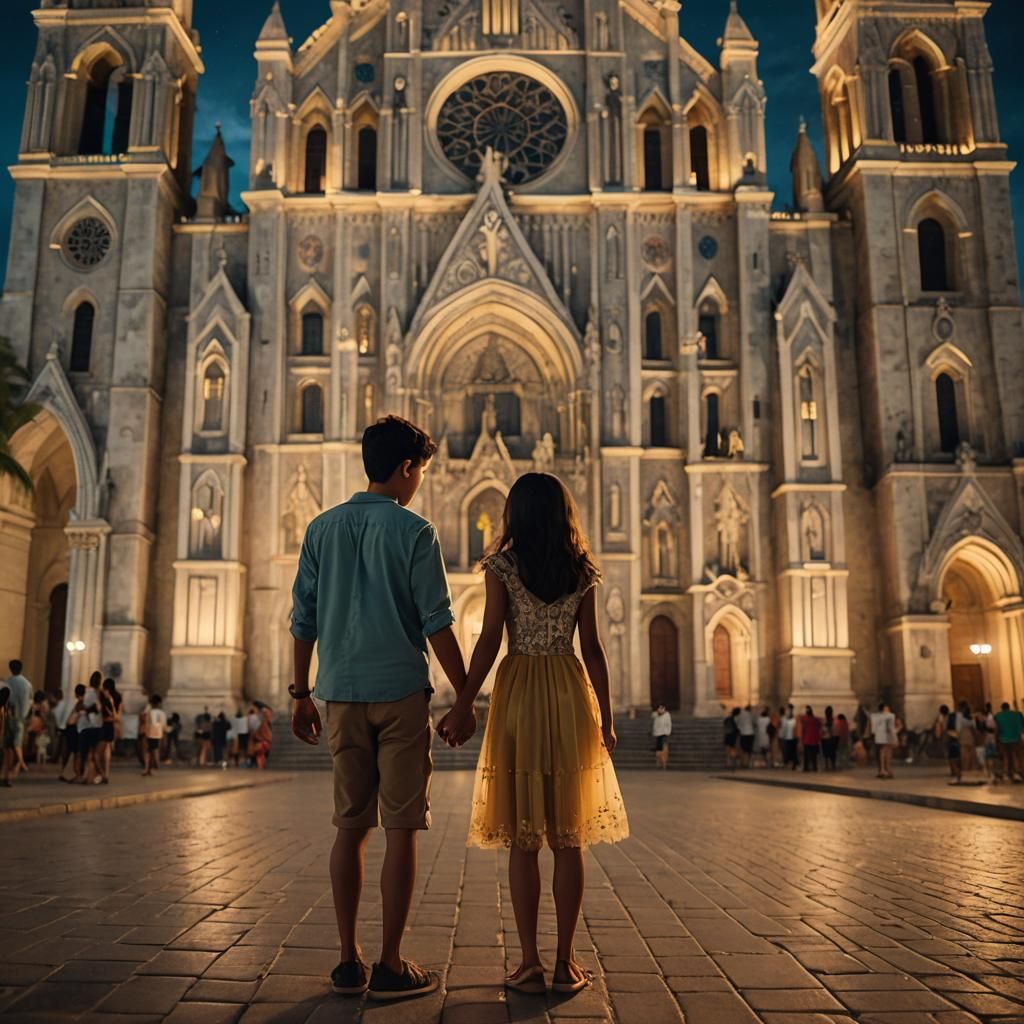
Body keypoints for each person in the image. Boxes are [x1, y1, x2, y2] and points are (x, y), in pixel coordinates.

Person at [289, 415, 469, 1002]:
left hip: (338, 694)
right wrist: (464, 696)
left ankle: (347, 961)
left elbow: (303, 620)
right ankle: (391, 963)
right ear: (407, 468)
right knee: (401, 830)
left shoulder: (320, 528)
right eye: (420, 471)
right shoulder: (416, 533)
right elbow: (438, 624)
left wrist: (299, 693)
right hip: (399, 697)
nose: (419, 482)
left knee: (349, 827)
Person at [437, 472, 628, 997]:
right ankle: (566, 962)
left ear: (514, 514)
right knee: (569, 838)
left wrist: (462, 701)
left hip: (519, 690)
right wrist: (607, 717)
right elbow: (593, 649)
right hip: (568, 691)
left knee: (525, 840)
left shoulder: (501, 567)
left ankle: (529, 963)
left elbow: (490, 637)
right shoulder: (581, 570)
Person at [1, 661, 32, 786]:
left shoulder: (8, 682)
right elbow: (30, 701)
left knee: (7, 748)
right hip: (21, 719)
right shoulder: (27, 684)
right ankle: (11, 773)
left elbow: (9, 700)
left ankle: (7, 775)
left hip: (10, 718)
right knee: (15, 746)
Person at [994, 702, 1024, 782]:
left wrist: (996, 740)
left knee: (1006, 757)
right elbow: (1021, 728)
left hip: (1003, 740)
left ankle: (1006, 773)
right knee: (1015, 756)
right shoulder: (1016, 715)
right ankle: (1017, 772)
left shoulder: (998, 716)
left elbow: (997, 729)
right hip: (1015, 739)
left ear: (1002, 708)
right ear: (1009, 707)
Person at [141, 694, 167, 776]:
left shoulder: (149, 711)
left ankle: (147, 768)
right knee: (155, 749)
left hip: (148, 732)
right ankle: (155, 764)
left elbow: (143, 718)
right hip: (157, 733)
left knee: (147, 750)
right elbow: (163, 725)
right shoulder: (161, 713)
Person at [935, 704, 960, 784]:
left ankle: (953, 770)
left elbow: (940, 730)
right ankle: (955, 770)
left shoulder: (942, 719)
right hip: (955, 737)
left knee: (950, 756)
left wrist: (938, 736)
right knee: (955, 755)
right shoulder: (952, 717)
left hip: (947, 738)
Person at [870, 701, 897, 779]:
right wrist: (895, 737)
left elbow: (873, 728)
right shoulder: (890, 716)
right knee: (886, 753)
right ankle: (886, 769)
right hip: (887, 736)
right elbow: (890, 728)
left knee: (882, 752)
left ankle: (883, 770)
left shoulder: (875, 716)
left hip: (878, 737)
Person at [250, 702, 273, 769]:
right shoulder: (264, 713)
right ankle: (261, 767)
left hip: (262, 739)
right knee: (261, 754)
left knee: (260, 754)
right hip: (265, 738)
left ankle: (261, 767)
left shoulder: (261, 714)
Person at [801, 706, 822, 772]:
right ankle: (814, 767)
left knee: (806, 755)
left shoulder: (805, 720)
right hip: (814, 740)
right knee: (814, 755)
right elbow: (819, 727)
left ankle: (806, 768)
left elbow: (803, 730)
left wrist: (802, 739)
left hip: (807, 740)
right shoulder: (816, 720)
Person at [651, 704, 671, 769]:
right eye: (659, 708)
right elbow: (652, 716)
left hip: (664, 734)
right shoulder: (656, 715)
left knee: (664, 750)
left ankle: (664, 764)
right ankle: (658, 763)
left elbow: (669, 724)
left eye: (661, 708)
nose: (660, 710)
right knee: (658, 750)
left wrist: (668, 732)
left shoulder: (667, 715)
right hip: (657, 734)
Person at [780, 705, 798, 770]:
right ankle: (788, 764)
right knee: (787, 752)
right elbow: (783, 728)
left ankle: (793, 764)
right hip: (786, 737)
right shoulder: (784, 718)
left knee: (792, 752)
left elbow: (795, 727)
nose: (787, 711)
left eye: (788, 710)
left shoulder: (794, 718)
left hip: (793, 738)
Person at [820, 706, 838, 771]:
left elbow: (822, 730)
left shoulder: (825, 720)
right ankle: (833, 766)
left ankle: (827, 766)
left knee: (826, 754)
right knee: (832, 753)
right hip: (831, 738)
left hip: (825, 738)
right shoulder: (833, 720)